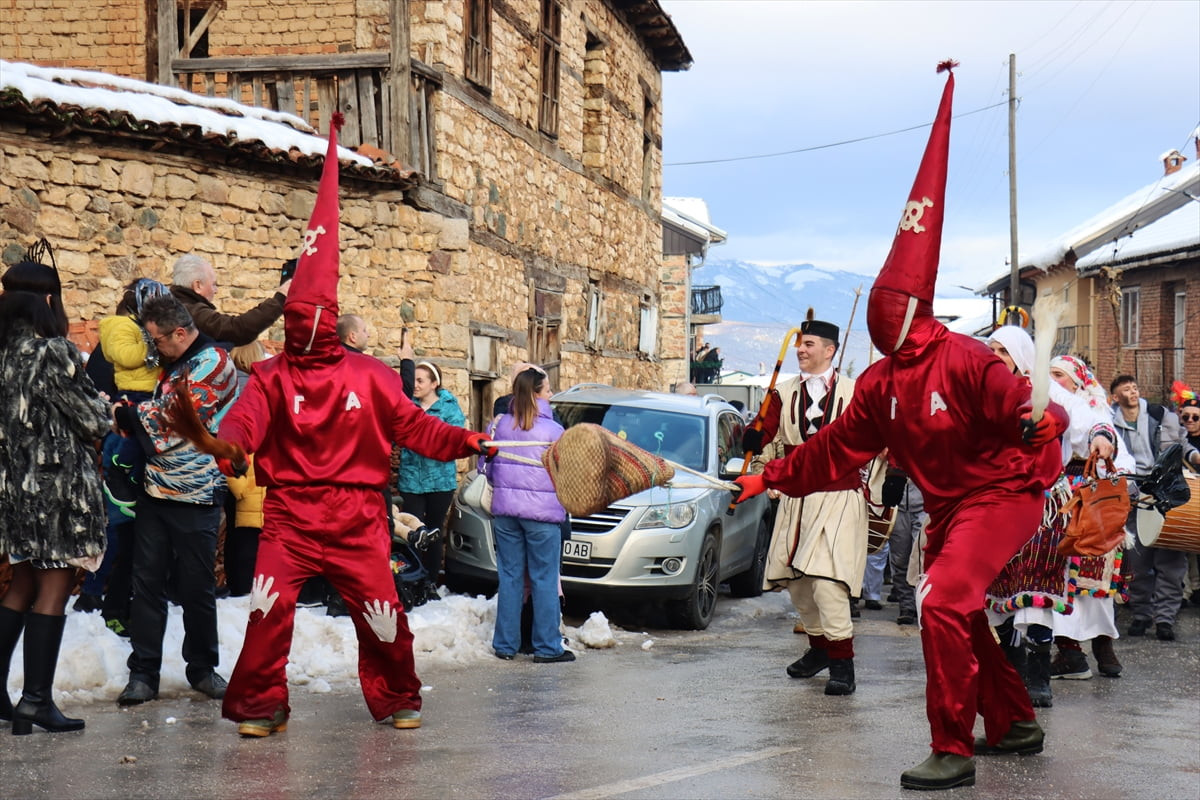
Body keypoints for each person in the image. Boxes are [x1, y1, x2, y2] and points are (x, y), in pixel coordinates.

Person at [733, 64, 1069, 791]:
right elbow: (834, 449)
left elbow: (1037, 407)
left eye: (894, 297)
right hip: (947, 507)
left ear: (913, 305)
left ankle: (952, 746)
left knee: (941, 601)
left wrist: (1039, 424)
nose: (884, 308)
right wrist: (766, 475)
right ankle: (1013, 721)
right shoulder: (880, 383)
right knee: (961, 610)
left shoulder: (971, 360)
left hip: (1003, 493)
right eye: (880, 296)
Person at [205, 118, 492, 736]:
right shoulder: (271, 377)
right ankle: (260, 704)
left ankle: (398, 696)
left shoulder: (371, 376)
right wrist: (226, 448)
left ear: (330, 318)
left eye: (314, 317)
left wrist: (469, 440)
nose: (304, 328)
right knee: (266, 611)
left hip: (359, 518)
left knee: (384, 612)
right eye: (297, 318)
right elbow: (243, 429)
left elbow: (417, 429)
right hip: (288, 518)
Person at [983, 330, 1129, 707]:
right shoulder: (979, 392)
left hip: (1043, 501)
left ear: (1021, 355)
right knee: (998, 588)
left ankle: (1039, 674)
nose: (996, 356)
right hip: (994, 500)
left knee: (1036, 583)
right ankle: (1011, 668)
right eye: (992, 349)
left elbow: (1088, 419)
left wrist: (1100, 436)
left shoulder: (1047, 390)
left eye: (1004, 350)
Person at [0, 250, 110, 734]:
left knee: (20, 584)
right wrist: (104, 406)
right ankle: (36, 702)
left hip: (12, 488)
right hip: (59, 490)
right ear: (49, 299)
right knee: (54, 588)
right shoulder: (53, 351)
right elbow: (93, 419)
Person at [113, 294, 239, 706]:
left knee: (197, 587)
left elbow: (176, 414)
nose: (154, 349)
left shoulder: (215, 364)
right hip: (155, 491)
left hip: (198, 495)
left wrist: (126, 415)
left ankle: (202, 668)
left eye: (157, 341)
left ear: (180, 333)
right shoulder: (174, 365)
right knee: (146, 584)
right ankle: (144, 672)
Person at [742, 315, 874, 696]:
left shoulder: (855, 391)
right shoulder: (781, 393)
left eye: (809, 344)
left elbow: (883, 432)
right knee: (798, 584)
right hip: (796, 496)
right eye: (799, 343)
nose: (800, 348)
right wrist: (751, 435)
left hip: (839, 495)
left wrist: (894, 473)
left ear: (829, 351)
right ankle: (820, 649)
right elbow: (761, 431)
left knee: (828, 581)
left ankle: (843, 664)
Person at [486, 367, 572, 663]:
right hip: (542, 514)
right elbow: (567, 475)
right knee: (544, 578)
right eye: (548, 389)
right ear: (537, 394)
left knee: (509, 577)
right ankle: (547, 647)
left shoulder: (498, 425)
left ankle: (505, 645)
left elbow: (483, 468)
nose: (551, 394)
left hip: (506, 511)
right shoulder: (554, 431)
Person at [1109, 374, 1188, 641]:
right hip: (1133, 495)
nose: (1132, 392)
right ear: (1116, 397)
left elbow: (1181, 444)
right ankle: (1142, 614)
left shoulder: (1160, 414)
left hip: (1166, 494)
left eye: (1134, 388)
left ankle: (1165, 618)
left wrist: (1194, 457)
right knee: (1138, 561)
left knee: (1171, 561)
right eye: (1126, 390)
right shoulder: (1109, 422)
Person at [396, 361, 465, 581]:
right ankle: (414, 578)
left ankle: (432, 581)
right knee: (413, 530)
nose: (415, 385)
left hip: (439, 481)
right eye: (414, 380)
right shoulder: (408, 406)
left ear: (434, 383)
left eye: (420, 381)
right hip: (411, 479)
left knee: (434, 530)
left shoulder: (449, 408)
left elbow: (454, 439)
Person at [223, 341, 270, 598]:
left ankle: (236, 585)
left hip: (229, 466)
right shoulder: (255, 387)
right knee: (251, 532)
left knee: (235, 529)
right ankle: (246, 586)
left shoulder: (225, 385)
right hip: (249, 468)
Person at [170, 254, 290, 347]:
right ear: (198, 286)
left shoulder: (172, 305)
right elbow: (237, 329)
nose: (216, 291)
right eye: (213, 285)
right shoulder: (188, 312)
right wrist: (280, 299)